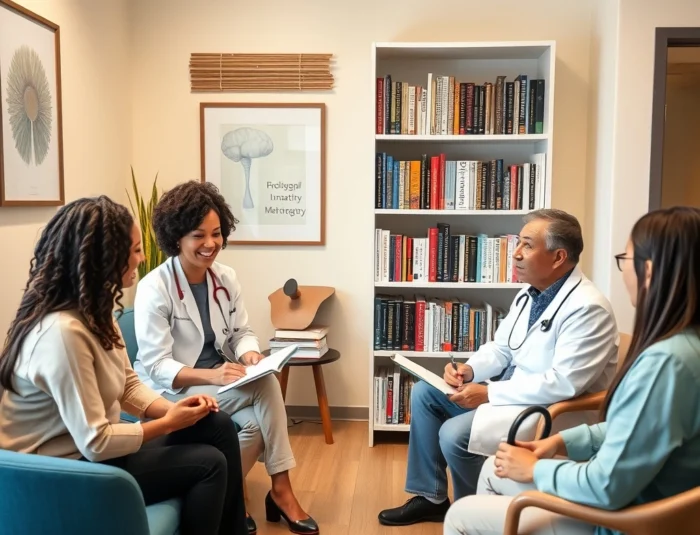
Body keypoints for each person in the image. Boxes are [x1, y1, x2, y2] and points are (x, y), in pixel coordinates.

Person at [443, 205, 700, 535]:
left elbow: (607, 486)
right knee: (494, 471)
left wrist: (537, 470)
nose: (517, 254)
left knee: (461, 515)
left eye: (626, 259)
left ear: (648, 271)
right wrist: (564, 443)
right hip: (629, 496)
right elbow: (637, 430)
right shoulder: (684, 348)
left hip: (619, 519)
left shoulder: (666, 364)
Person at [0, 196, 247, 535]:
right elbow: (97, 442)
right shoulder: (63, 333)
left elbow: (128, 384)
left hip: (89, 454)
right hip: (60, 473)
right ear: (103, 258)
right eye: (134, 250)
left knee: (215, 424)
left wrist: (172, 410)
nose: (142, 258)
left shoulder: (97, 310)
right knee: (210, 465)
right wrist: (167, 424)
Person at [378, 209, 619, 527]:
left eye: (527, 246)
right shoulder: (530, 295)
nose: (516, 254)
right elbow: (502, 348)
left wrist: (490, 393)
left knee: (454, 435)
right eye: (518, 243)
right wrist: (469, 371)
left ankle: (475, 515)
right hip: (514, 395)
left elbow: (564, 383)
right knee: (425, 393)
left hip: (551, 410)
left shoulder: (589, 308)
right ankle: (431, 498)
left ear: (559, 257)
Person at [133, 180, 318, 535]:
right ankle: (280, 490)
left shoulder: (225, 278)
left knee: (256, 424)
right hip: (172, 390)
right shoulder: (154, 288)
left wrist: (249, 353)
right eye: (198, 236)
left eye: (217, 234)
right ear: (176, 238)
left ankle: (233, 495)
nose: (211, 244)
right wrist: (212, 376)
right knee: (266, 387)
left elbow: (240, 332)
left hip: (224, 380)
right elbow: (156, 365)